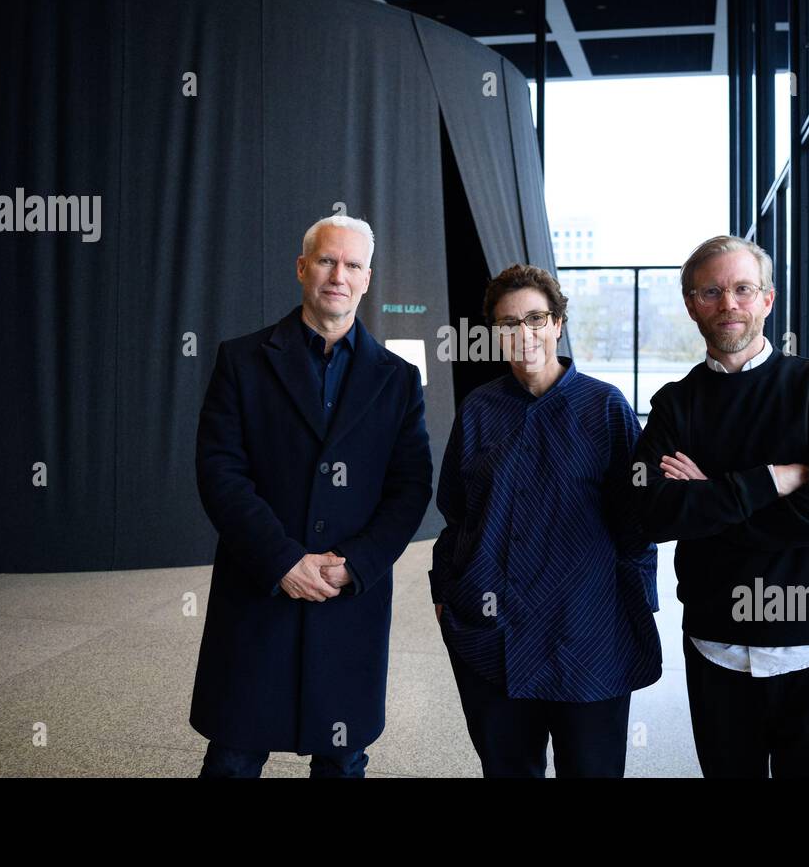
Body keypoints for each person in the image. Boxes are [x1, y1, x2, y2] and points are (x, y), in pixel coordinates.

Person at [189, 215, 433, 778]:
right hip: (259, 589)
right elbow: (220, 472)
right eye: (327, 260)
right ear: (303, 268)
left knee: (342, 760)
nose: (338, 275)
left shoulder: (397, 379)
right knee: (233, 757)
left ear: (367, 279)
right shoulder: (241, 360)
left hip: (348, 598)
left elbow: (410, 486)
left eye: (352, 265)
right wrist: (283, 560)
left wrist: (357, 564)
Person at [632, 235, 809, 777]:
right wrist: (772, 480)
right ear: (692, 304)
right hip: (718, 646)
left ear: (767, 300)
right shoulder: (675, 403)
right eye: (711, 291)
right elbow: (654, 514)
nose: (728, 303)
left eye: (742, 289)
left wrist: (709, 501)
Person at [430, 263, 662, 778]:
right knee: (509, 769)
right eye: (509, 323)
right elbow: (456, 515)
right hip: (495, 629)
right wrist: (444, 594)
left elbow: (636, 522)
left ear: (557, 323)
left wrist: (639, 602)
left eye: (536, 318)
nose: (524, 333)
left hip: (587, 628)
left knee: (592, 769)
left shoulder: (603, 406)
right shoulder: (479, 409)